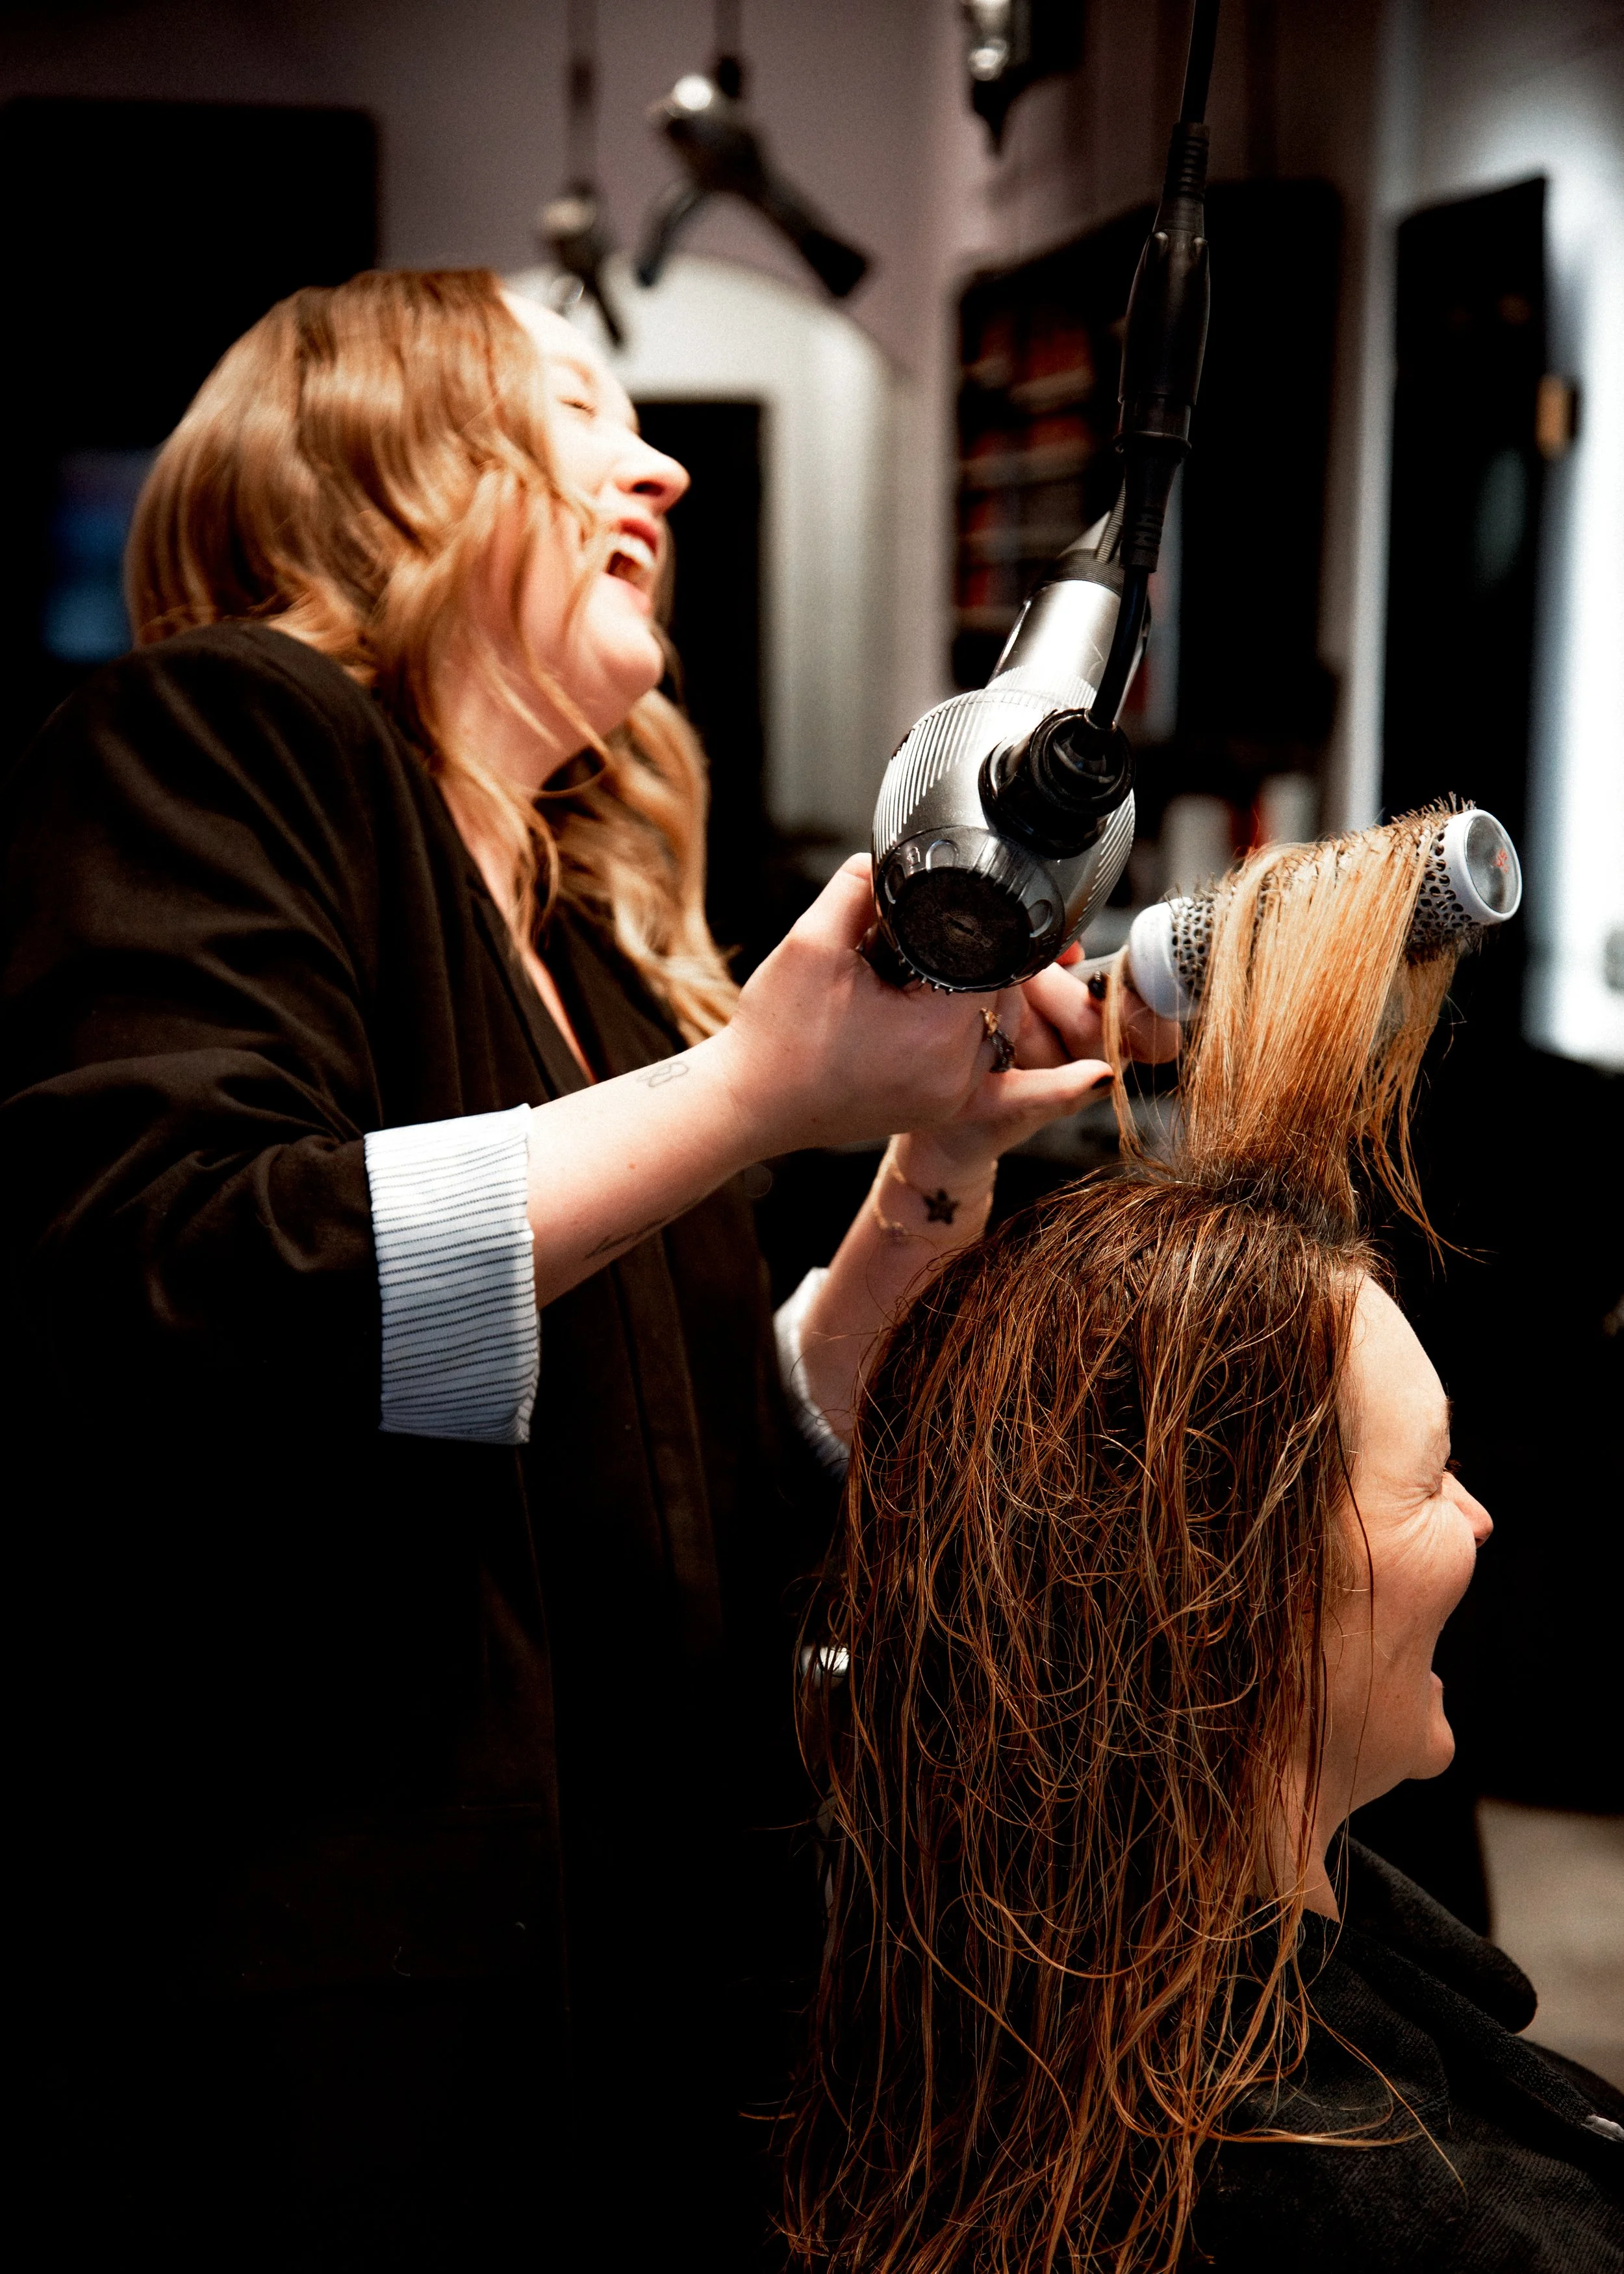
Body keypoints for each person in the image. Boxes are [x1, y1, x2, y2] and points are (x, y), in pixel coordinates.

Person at [0, 268, 1159, 2269]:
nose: (662, 468)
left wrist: (932, 1157)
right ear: (373, 454)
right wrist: (752, 1089)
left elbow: (717, 1458)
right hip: (330, 2051)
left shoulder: (589, 935)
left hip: (638, 1980)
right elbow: (188, 1275)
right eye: (572, 408)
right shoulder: (212, 732)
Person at [785, 810, 1624, 2274]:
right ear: (1231, 1586)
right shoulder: (1432, 2233)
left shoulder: (974, 2029)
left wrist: (945, 1147)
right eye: (1431, 1479)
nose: (1480, 1519)